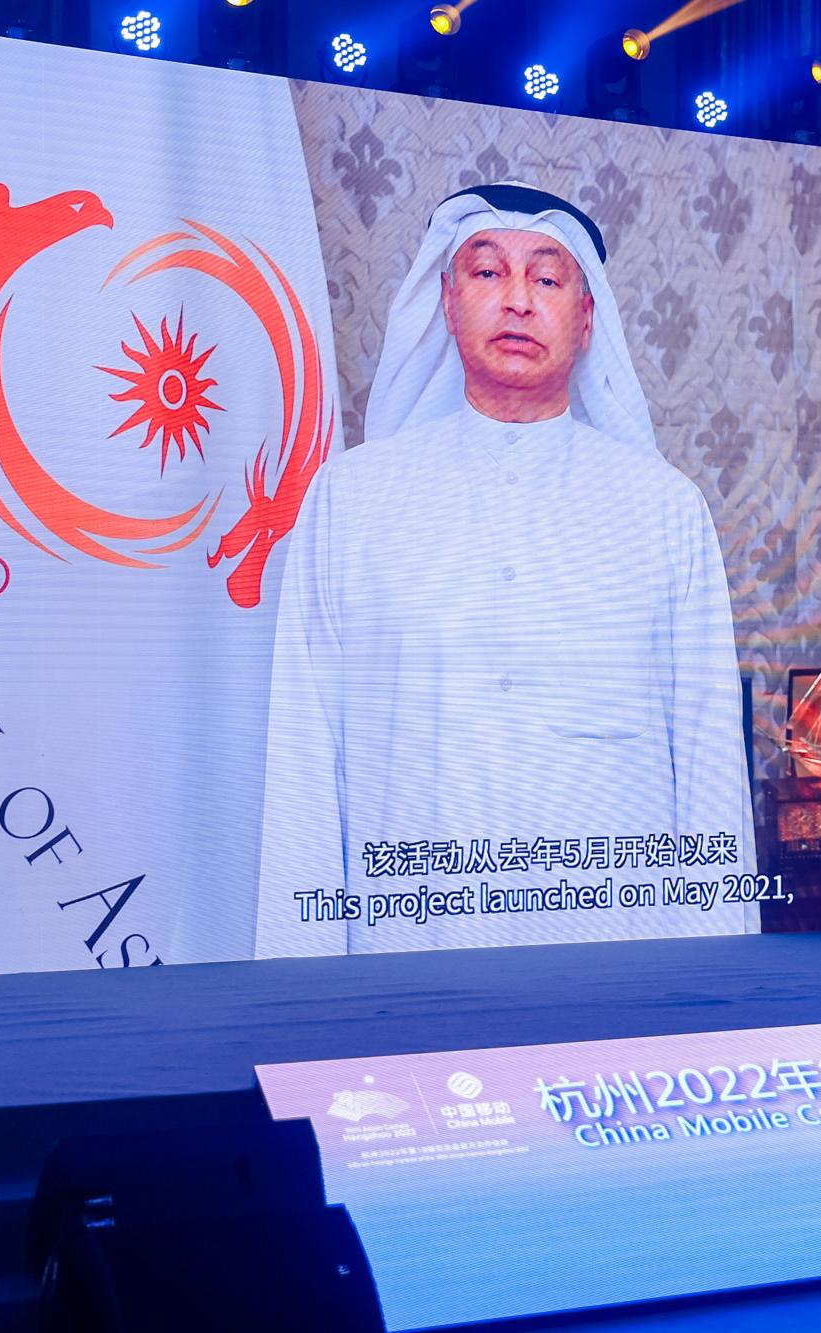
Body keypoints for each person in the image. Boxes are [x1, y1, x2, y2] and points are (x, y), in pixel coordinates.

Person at [255, 183, 757, 956]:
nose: (518, 300)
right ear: (447, 302)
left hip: (621, 962)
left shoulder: (664, 509)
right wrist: (305, 991)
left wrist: (709, 991)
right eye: (488, 272)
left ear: (586, 318)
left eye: (547, 278)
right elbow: (304, 760)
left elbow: (709, 766)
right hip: (410, 961)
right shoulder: (351, 500)